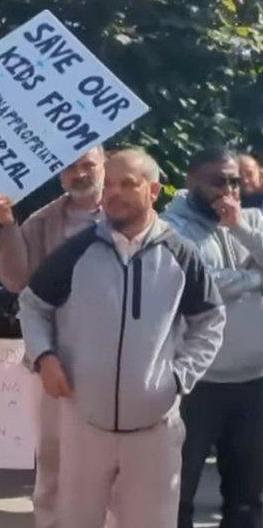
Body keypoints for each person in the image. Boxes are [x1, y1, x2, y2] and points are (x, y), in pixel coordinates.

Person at [18, 148, 225, 528]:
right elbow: (32, 305)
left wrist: (179, 377)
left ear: (154, 190)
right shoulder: (77, 251)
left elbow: (210, 320)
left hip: (154, 428)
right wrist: (45, 356)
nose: (114, 193)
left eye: (127, 183)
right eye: (109, 183)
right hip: (85, 424)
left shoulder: (180, 254)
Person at [0, 145, 105, 528]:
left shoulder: (132, 217)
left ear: (106, 164)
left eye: (88, 165)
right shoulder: (43, 221)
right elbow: (17, 280)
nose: (80, 174)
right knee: (54, 461)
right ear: (59, 174)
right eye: (71, 167)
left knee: (113, 464)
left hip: (118, 360)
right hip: (54, 358)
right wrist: (6, 225)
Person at [162, 147, 263, 528]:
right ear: (191, 182)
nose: (228, 190)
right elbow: (200, 282)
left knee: (247, 497)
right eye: (217, 181)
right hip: (195, 383)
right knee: (177, 493)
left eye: (235, 181)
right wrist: (256, 278)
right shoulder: (171, 227)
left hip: (254, 380)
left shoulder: (252, 220)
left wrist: (239, 228)